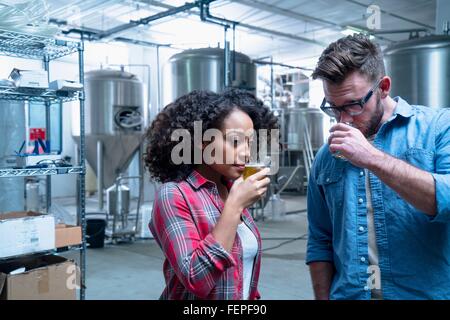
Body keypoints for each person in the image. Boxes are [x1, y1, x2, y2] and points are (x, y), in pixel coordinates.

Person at [306, 34, 450, 300]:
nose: (343, 119)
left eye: (353, 105)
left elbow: (447, 201)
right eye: (333, 108)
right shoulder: (327, 156)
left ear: (383, 87)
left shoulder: (438, 127)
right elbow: (320, 240)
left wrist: (371, 157)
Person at [145, 89, 278, 300]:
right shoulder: (173, 195)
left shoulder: (230, 188)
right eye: (235, 141)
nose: (246, 153)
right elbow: (196, 279)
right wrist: (234, 206)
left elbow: (242, 274)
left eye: (250, 142)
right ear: (202, 142)